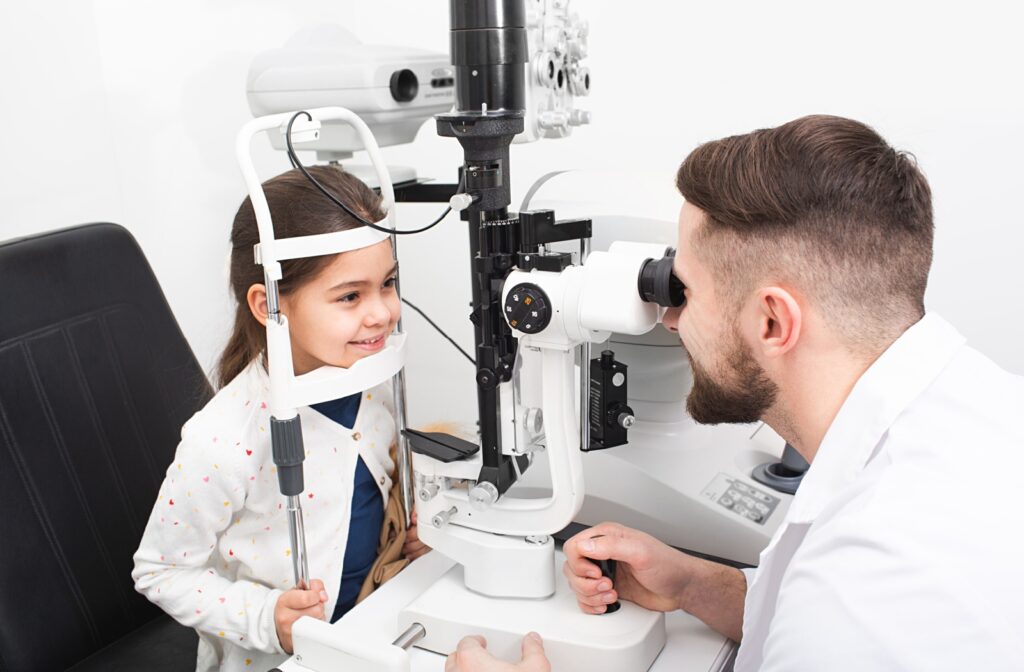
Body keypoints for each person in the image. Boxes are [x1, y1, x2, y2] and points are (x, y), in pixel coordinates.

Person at [444, 115, 1024, 671]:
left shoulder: (860, 593)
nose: (671, 321)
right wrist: (697, 583)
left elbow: (837, 630)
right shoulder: (981, 406)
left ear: (772, 322)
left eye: (687, 291)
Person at [133, 166, 430, 672]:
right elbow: (159, 572)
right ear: (269, 305)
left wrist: (407, 531)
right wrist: (269, 618)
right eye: (350, 296)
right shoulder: (224, 441)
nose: (382, 313)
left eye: (388, 284)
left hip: (370, 629)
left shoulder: (368, 382)